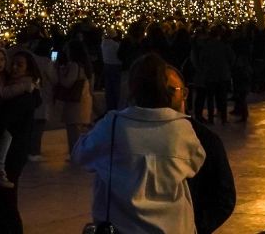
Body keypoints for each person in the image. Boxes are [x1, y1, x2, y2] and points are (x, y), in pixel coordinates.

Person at [74, 52, 206, 234]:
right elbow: (195, 164)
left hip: (123, 226)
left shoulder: (113, 124)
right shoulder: (181, 128)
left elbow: (82, 155)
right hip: (173, 225)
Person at [165, 64, 235, 234]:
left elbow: (224, 195)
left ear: (185, 93)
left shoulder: (204, 139)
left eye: (170, 90)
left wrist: (196, 226)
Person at [0, 50, 43, 234]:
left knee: (6, 201)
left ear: (29, 69)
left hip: (13, 152)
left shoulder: (23, 91)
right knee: (2, 201)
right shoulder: (20, 88)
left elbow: (6, 119)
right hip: (13, 150)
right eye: (13, 63)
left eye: (20, 64)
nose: (14, 67)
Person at [54, 39, 93, 152]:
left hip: (75, 102)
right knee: (79, 129)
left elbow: (67, 83)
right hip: (84, 99)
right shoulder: (85, 65)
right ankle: (78, 152)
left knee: (73, 130)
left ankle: (75, 153)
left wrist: (60, 73)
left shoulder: (74, 65)